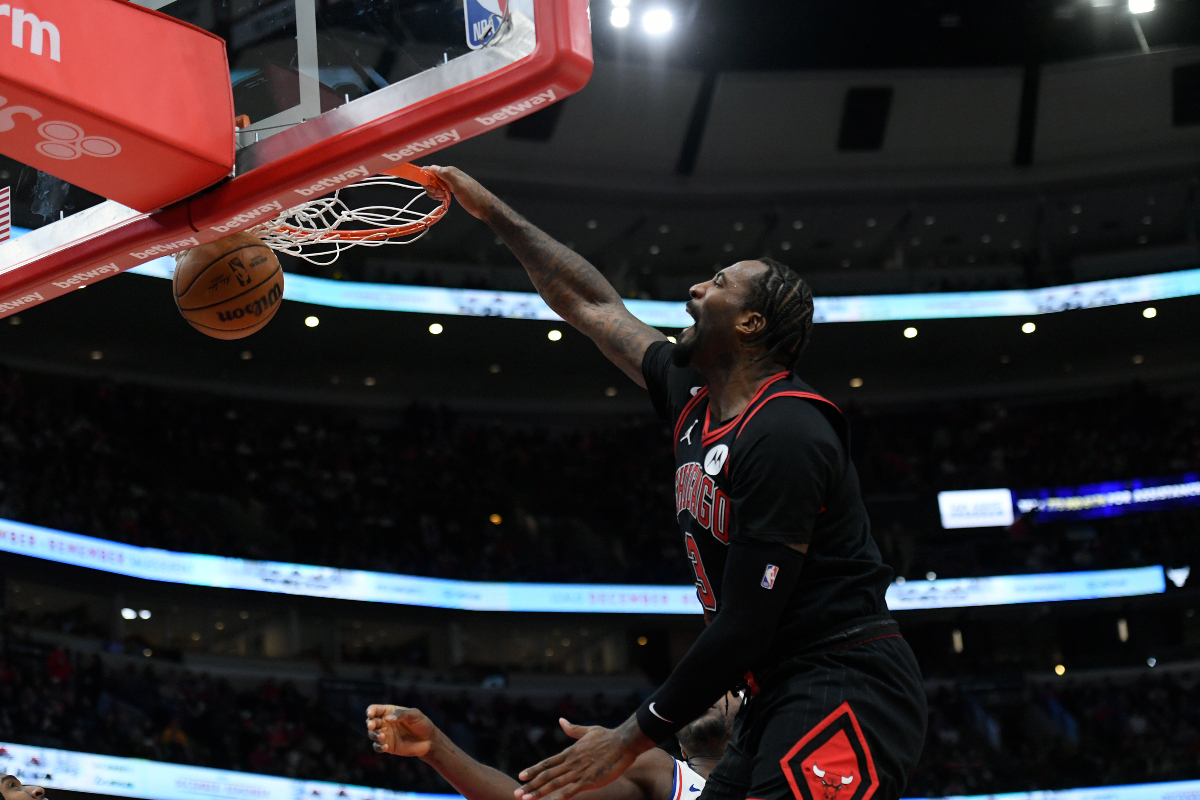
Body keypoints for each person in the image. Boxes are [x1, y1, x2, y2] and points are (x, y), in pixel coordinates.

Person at [422, 166, 928, 800]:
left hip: (843, 680)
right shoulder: (693, 396)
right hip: (774, 689)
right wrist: (492, 211)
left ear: (749, 326)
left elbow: (746, 622)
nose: (693, 290)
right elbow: (591, 304)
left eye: (717, 284)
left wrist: (631, 735)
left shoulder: (785, 431)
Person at [365, 695, 738, 800]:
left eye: (729, 687)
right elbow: (521, 799)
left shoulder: (781, 768)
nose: (708, 692)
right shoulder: (661, 770)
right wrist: (437, 748)